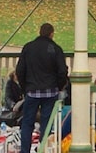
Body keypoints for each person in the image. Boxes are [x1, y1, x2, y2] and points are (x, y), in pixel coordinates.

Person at [14, 24, 66, 153]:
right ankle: (42, 149)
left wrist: (25, 87)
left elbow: (20, 70)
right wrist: (58, 86)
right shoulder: (56, 49)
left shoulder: (28, 48)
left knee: (27, 123)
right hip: (50, 91)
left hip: (32, 91)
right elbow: (62, 71)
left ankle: (25, 150)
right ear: (51, 34)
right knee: (46, 124)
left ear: (40, 32)